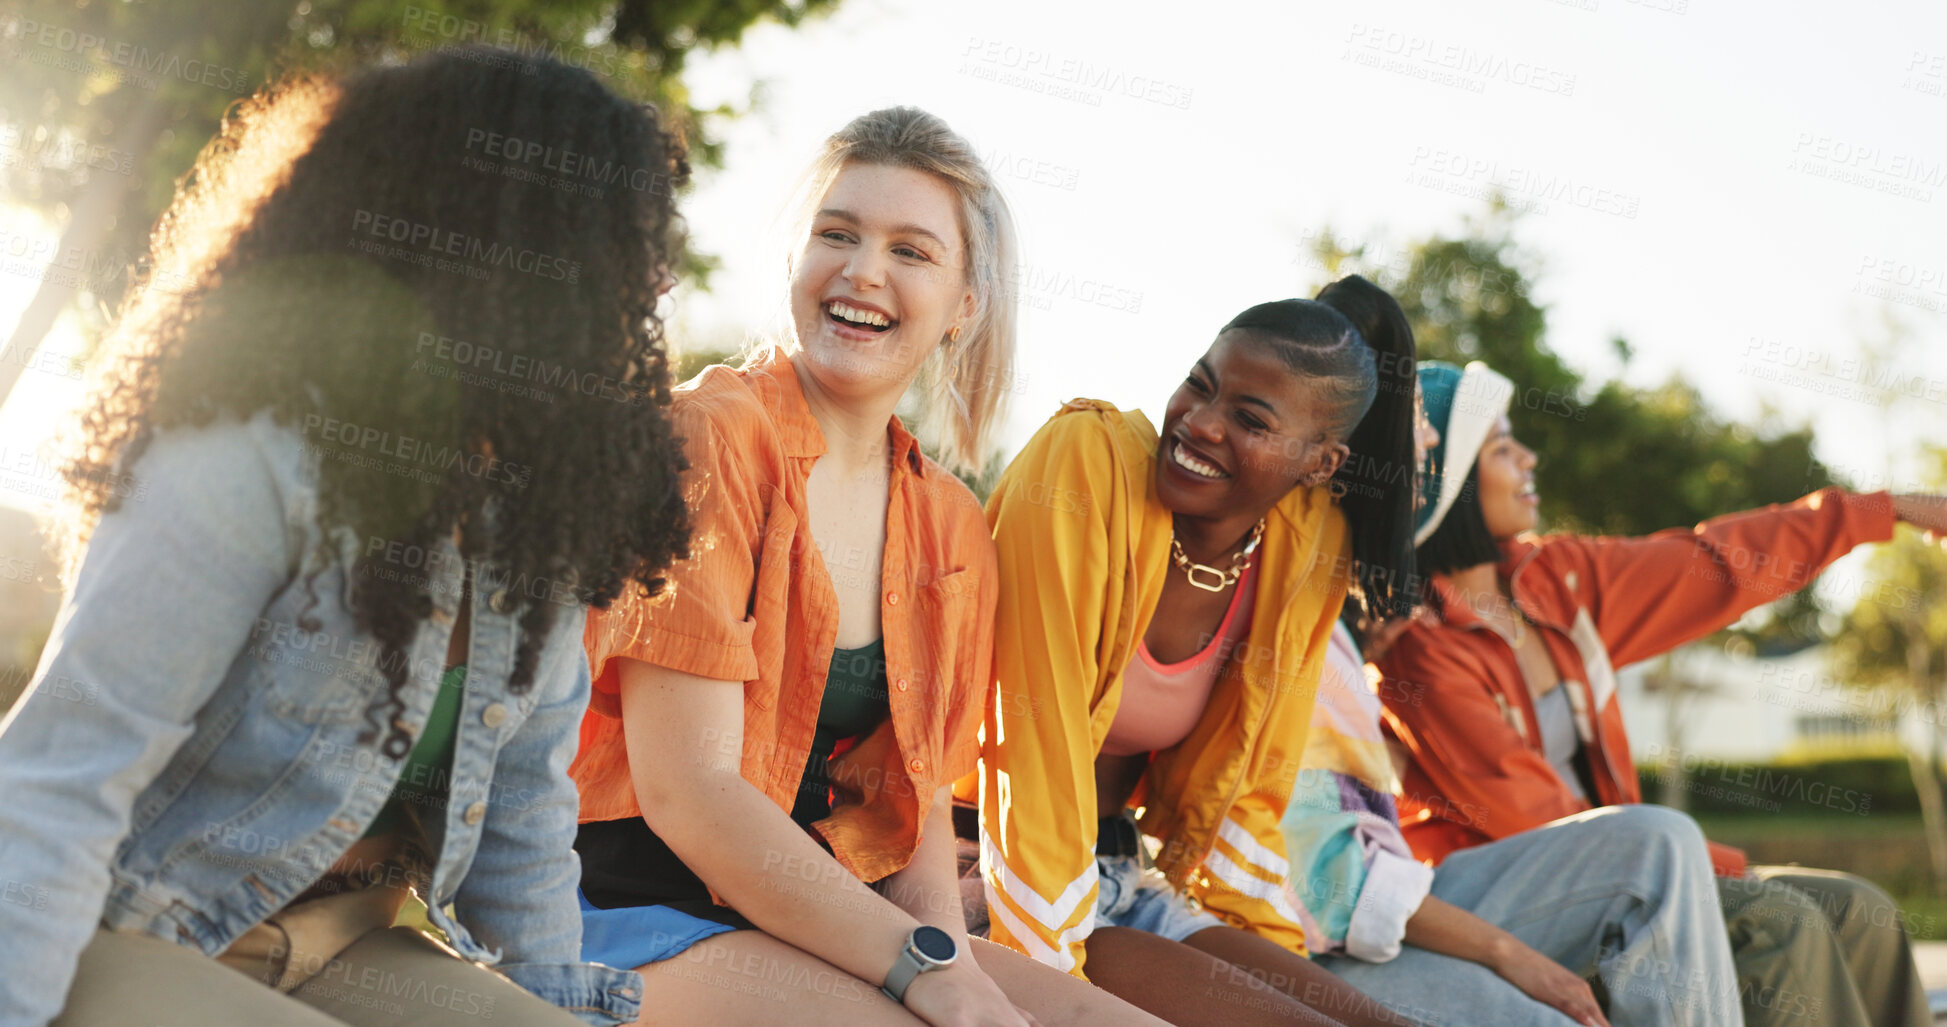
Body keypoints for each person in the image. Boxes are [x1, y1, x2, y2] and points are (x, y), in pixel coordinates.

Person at [0, 50, 694, 1026]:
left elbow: (524, 820)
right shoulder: (249, 456)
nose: (656, 281)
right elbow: (61, 777)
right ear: (503, 250)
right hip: (129, 925)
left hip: (344, 938)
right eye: (625, 242)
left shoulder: (535, 508)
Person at [567, 107, 1168, 1027]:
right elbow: (689, 794)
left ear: (965, 305)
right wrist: (923, 974)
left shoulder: (951, 522)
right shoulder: (709, 437)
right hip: (631, 899)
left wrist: (952, 963)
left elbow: (916, 811)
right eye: (836, 234)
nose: (862, 271)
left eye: (911, 251)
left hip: (823, 912)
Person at [1378, 358, 1947, 1027]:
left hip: (1635, 867)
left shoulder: (1553, 579)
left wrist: (1882, 509)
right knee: (1776, 923)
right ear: (1446, 483)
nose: (1528, 457)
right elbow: (1536, 820)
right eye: (1501, 447)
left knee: (1860, 910)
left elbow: (1718, 562)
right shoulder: (1419, 649)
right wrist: (1711, 868)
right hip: (1515, 903)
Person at [976, 277, 1424, 1027]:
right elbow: (1031, 739)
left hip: (1122, 873)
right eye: (1199, 384)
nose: (1199, 423)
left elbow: (1252, 780)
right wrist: (1042, 971)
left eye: (1248, 419)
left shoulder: (1303, 545)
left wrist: (1263, 945)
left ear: (1320, 464)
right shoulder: (1087, 461)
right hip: (986, 864)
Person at [1281, 295, 1740, 1027]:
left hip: (1391, 903)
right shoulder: (1354, 634)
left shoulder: (1366, 624)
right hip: (1327, 933)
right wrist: (1505, 952)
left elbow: (1715, 560)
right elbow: (1336, 884)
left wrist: (1875, 511)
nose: (1429, 440)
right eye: (1416, 424)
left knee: (1666, 842)